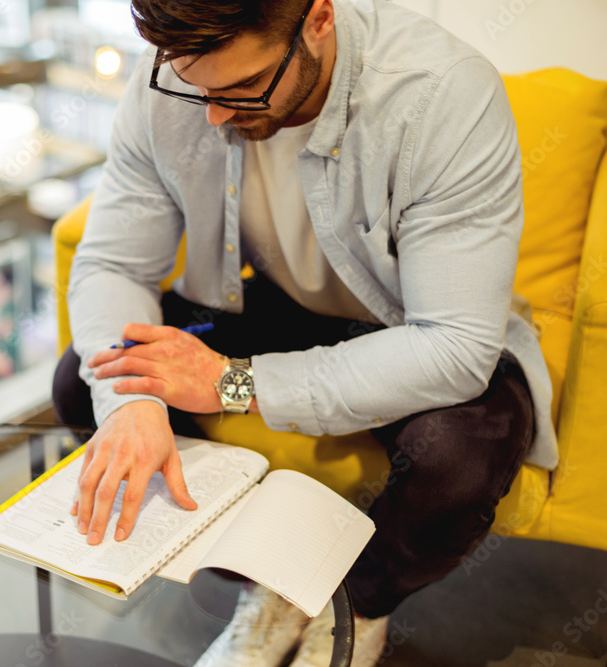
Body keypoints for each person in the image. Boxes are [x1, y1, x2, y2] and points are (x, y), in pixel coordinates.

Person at [52, 0, 558, 663]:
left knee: (456, 456)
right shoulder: (174, 76)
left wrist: (232, 383)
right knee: (89, 380)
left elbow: (455, 347)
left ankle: (361, 599)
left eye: (243, 89)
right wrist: (134, 404)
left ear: (319, 19)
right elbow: (115, 262)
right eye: (196, 87)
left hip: (410, 327)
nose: (213, 115)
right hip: (263, 302)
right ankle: (268, 581)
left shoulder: (442, 95)